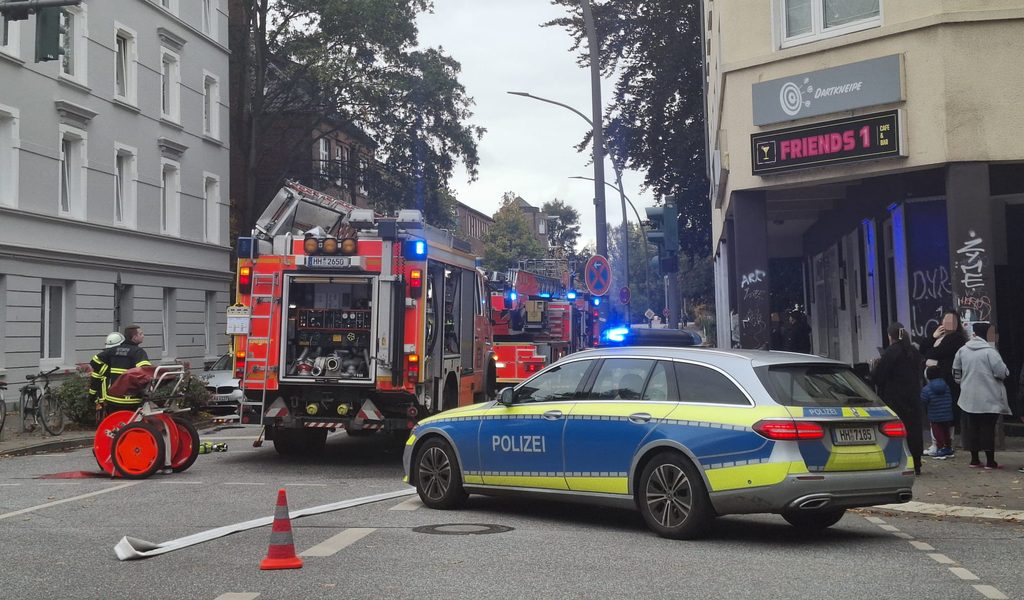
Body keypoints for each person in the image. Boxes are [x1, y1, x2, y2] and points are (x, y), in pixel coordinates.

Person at [953, 322, 1011, 470]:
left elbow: (956, 371)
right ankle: (990, 462)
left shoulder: (962, 350)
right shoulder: (990, 352)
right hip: (988, 397)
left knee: (973, 428)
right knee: (987, 429)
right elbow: (1001, 372)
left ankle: (974, 460)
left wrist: (962, 383)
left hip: (968, 398)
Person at [872, 322, 925, 475]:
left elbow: (879, 376)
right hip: (912, 396)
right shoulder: (913, 351)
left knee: (896, 430)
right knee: (913, 429)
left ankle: (898, 460)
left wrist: (874, 366)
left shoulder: (890, 353)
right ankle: (916, 462)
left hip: (894, 398)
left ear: (890, 336)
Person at [925, 310, 969, 450]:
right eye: (946, 320)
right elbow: (923, 349)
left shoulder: (956, 338)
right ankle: (944, 443)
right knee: (940, 412)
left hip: (948, 381)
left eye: (952, 320)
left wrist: (932, 352)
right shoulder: (940, 337)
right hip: (936, 381)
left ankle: (944, 443)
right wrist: (933, 337)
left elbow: (934, 352)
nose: (948, 323)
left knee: (945, 413)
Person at [89, 325, 152, 417]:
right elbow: (145, 371)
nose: (143, 335)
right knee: (130, 425)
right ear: (134, 337)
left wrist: (107, 370)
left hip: (113, 398)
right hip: (131, 399)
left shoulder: (113, 350)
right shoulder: (138, 352)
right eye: (141, 334)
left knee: (115, 424)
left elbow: (94, 361)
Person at [920, 366, 955, 459]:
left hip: (935, 415)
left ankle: (940, 448)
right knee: (946, 431)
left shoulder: (927, 388)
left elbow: (923, 400)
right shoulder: (946, 386)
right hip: (947, 413)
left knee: (937, 432)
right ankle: (948, 447)